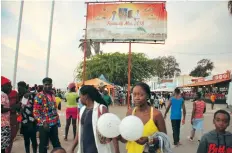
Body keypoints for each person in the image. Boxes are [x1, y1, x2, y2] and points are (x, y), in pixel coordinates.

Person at [118, 82, 167, 153]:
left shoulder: (156, 114)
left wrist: (148, 139)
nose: (137, 98)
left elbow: (164, 139)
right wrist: (118, 136)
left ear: (147, 96)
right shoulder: (130, 113)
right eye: (134, 95)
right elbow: (125, 139)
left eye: (141, 95)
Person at [71, 85, 119, 153]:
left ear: (86, 96)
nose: (79, 98)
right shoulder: (82, 110)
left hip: (98, 150)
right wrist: (72, 148)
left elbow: (112, 130)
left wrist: (117, 150)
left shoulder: (101, 109)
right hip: (84, 149)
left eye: (80, 95)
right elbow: (79, 131)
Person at [33, 77, 61, 153]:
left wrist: (57, 120)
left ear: (52, 85)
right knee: (43, 145)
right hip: (44, 125)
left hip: (54, 123)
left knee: (56, 144)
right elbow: (35, 112)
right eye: (46, 84)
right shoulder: (39, 96)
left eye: (49, 84)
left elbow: (54, 109)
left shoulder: (52, 95)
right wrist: (43, 122)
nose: (47, 86)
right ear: (43, 85)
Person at [18, 81, 37, 153]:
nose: (18, 90)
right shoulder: (25, 95)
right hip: (27, 122)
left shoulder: (29, 95)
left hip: (30, 122)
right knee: (29, 140)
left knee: (31, 140)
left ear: (23, 87)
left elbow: (21, 109)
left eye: (19, 88)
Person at [1, 76, 14, 153]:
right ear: (2, 86)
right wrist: (11, 108)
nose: (11, 88)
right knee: (2, 147)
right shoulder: (3, 95)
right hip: (3, 125)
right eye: (8, 86)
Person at [6, 88, 20, 153]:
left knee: (11, 137)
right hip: (4, 118)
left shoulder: (14, 93)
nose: (11, 86)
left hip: (13, 117)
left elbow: (19, 105)